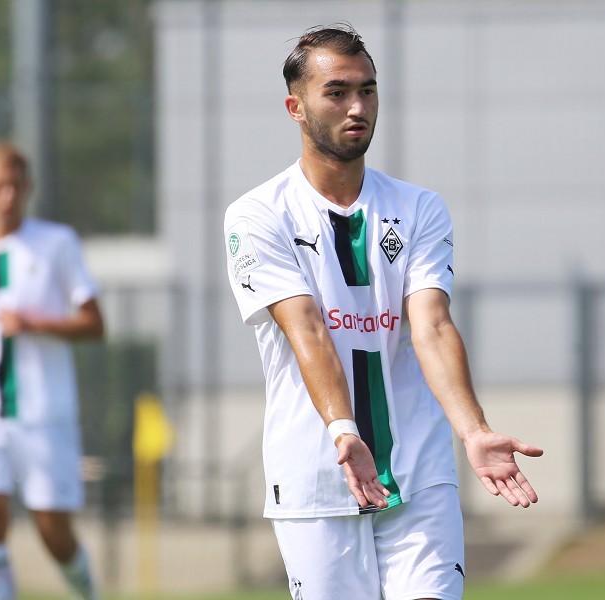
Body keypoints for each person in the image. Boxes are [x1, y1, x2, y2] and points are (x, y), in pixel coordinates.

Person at [223, 24, 544, 600]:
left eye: (368, 90)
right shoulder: (256, 216)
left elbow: (432, 324)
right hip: (318, 475)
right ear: (296, 107)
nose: (357, 106)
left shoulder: (419, 207)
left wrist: (472, 430)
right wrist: (344, 430)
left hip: (419, 472)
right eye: (337, 91)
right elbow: (308, 331)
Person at [0, 140, 104, 600]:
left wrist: (34, 323)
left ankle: (89, 593)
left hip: (43, 413)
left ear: (27, 188)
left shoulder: (56, 243)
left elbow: (94, 324)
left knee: (54, 531)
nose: (7, 196)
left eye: (15, 187)